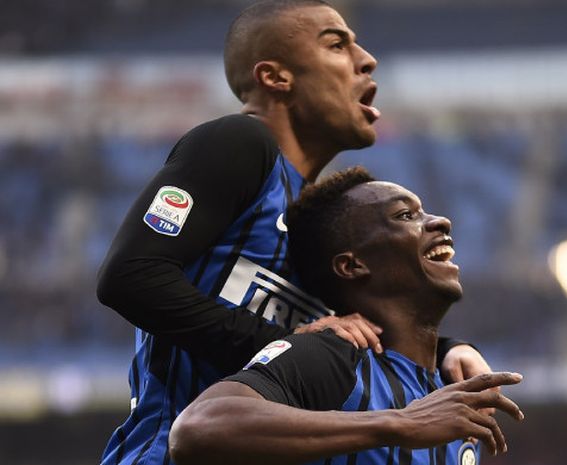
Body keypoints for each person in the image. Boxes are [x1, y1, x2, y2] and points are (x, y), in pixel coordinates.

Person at [97, 2, 493, 465]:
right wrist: (274, 343)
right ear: (275, 77)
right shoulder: (239, 144)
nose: (366, 59)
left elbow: (347, 325)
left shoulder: (315, 215)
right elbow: (131, 276)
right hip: (170, 451)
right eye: (337, 44)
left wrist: (447, 349)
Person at [169, 167, 525, 465]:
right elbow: (197, 427)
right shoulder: (334, 357)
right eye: (406, 216)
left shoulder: (450, 391)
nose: (441, 222)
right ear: (352, 265)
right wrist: (400, 423)